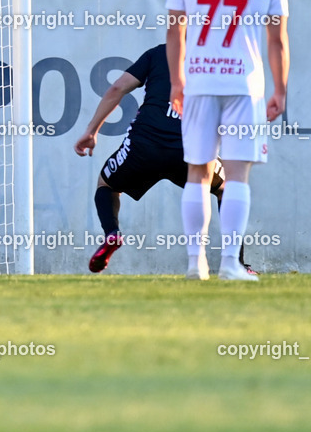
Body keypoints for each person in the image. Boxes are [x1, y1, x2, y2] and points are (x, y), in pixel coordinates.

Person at [166, 0, 288, 281]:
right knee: (236, 175)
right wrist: (280, 90)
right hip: (244, 83)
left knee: (197, 173)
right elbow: (278, 40)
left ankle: (194, 263)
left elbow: (175, 30)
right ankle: (231, 265)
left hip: (200, 80)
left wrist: (176, 81)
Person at [74, 44, 256, 274]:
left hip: (144, 146)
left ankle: (112, 233)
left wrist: (92, 131)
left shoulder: (158, 53)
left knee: (107, 185)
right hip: (190, 149)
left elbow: (117, 88)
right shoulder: (217, 57)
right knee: (228, 187)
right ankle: (236, 263)